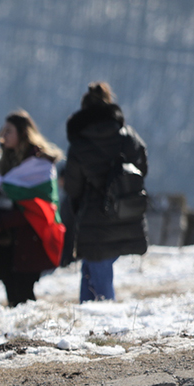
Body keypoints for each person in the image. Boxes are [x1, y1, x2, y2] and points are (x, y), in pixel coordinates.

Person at [63, 82, 149, 301]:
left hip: (94, 215)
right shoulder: (126, 136)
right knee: (93, 268)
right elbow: (142, 166)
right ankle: (88, 318)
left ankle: (104, 323)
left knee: (97, 269)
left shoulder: (80, 144)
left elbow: (72, 187)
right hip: (126, 210)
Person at [0, 110, 66, 307]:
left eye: (9, 130)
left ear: (22, 133)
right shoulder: (3, 164)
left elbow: (42, 207)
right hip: (4, 242)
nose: (3, 134)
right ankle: (18, 336)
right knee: (11, 292)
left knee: (24, 293)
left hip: (28, 240)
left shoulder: (40, 165)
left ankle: (29, 337)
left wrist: (4, 221)